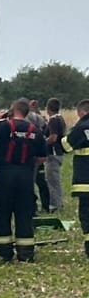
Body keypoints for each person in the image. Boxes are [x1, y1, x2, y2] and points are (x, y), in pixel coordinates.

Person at [0, 98, 50, 263]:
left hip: (3, 175)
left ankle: (4, 253)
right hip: (25, 176)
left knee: (2, 212)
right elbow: (42, 158)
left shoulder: (4, 126)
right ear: (27, 112)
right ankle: (26, 253)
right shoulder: (35, 130)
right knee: (24, 213)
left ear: (12, 110)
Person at [62, 98, 89, 259]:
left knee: (87, 214)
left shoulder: (81, 127)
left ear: (82, 112)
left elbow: (66, 146)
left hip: (85, 181)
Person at [43, 98, 66, 213]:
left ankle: (55, 205)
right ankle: (58, 203)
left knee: (52, 181)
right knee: (55, 180)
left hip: (53, 153)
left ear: (48, 108)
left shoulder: (53, 120)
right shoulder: (60, 118)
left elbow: (53, 137)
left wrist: (42, 143)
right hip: (59, 153)